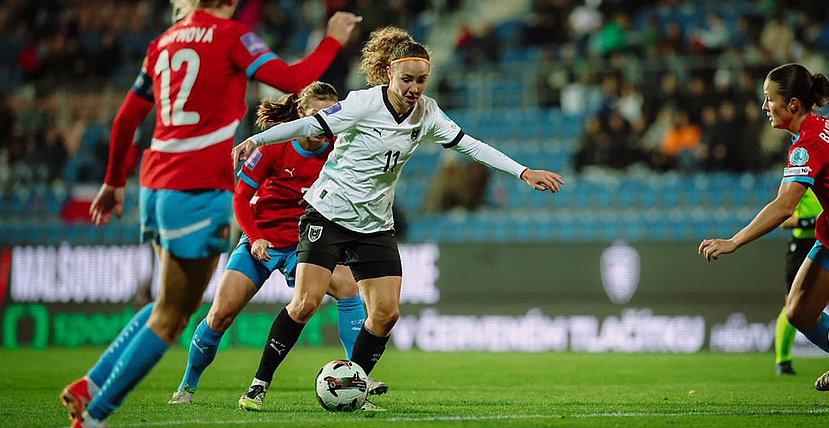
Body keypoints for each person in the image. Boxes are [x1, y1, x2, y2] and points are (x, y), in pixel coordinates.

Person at [232, 26, 564, 410]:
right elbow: (310, 125)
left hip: (374, 224)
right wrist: (258, 139)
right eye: (407, 79)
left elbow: (472, 145)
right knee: (305, 303)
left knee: (387, 315)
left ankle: (351, 385)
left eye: (421, 80)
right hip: (330, 212)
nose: (415, 88)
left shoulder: (428, 112)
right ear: (389, 73)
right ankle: (258, 385)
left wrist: (523, 172)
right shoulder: (361, 103)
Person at [63, 1, 361, 426]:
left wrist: (113, 180)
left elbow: (127, 118)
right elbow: (292, 78)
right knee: (180, 317)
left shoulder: (163, 41)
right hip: (199, 187)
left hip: (156, 183)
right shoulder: (231, 36)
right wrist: (333, 37)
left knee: (169, 304)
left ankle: (90, 385)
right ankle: (96, 415)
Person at [699, 63, 829, 409]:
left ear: (793, 105)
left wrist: (733, 241)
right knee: (798, 312)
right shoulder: (821, 127)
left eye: (769, 99)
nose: (764, 107)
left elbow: (783, 206)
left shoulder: (806, 144)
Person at [164, 82, 373, 410]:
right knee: (220, 315)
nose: (325, 123)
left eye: (331, 115)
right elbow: (242, 197)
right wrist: (256, 236)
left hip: (307, 244)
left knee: (348, 288)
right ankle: (187, 385)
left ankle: (360, 377)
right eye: (318, 115)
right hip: (261, 240)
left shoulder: (338, 148)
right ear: (302, 114)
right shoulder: (276, 146)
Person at [774, 187, 822, 375]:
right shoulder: (798, 185)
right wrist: (810, 222)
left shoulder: (828, 183)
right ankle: (783, 360)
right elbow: (783, 221)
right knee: (792, 304)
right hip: (801, 247)